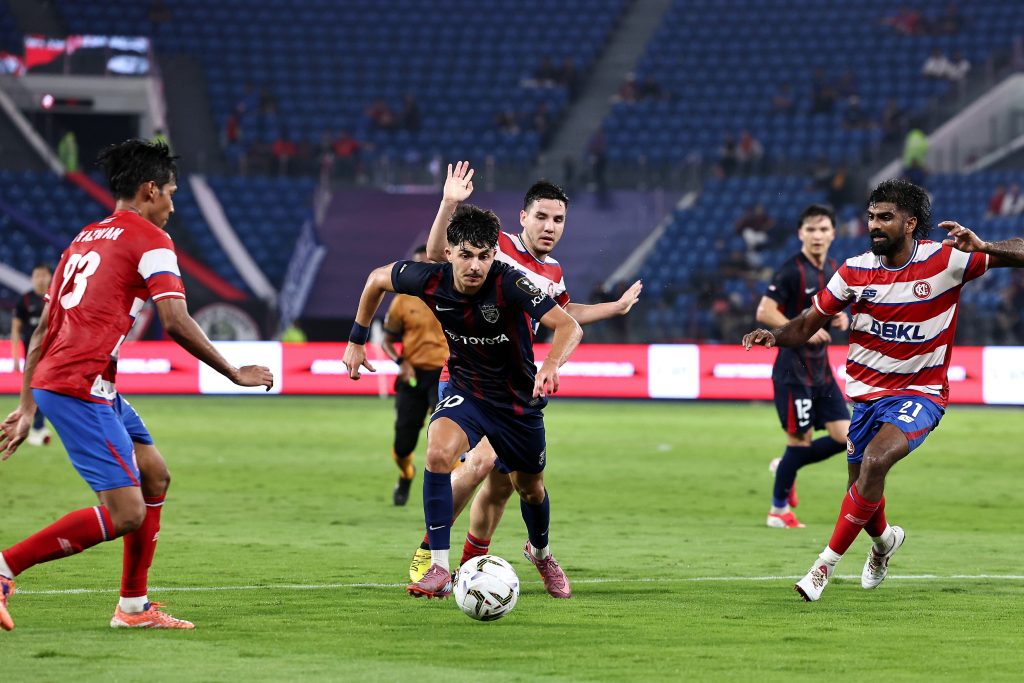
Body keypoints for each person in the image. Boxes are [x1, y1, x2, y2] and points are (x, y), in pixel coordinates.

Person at [0, 139, 274, 632]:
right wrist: (234, 372)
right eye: (170, 193)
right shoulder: (151, 240)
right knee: (126, 512)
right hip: (79, 383)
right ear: (150, 190)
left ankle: (133, 608)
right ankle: (4, 568)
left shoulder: (83, 238)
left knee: (154, 475)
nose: (172, 205)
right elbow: (175, 320)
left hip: (80, 381)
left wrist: (26, 405)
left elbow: (43, 330)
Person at [742, 178, 1024, 601]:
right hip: (866, 397)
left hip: (921, 393)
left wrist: (985, 247)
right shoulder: (853, 271)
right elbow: (805, 325)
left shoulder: (947, 260)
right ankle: (885, 542)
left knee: (875, 461)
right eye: (872, 216)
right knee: (861, 488)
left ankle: (822, 567)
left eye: (886, 217)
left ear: (910, 223)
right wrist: (774, 336)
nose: (874, 224)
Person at [407, 163, 642, 593]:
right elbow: (440, 252)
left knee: (506, 486)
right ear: (523, 217)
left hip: (515, 385)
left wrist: (614, 308)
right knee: (479, 462)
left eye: (558, 220)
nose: (550, 226)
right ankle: (430, 551)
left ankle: (474, 569)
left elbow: (564, 315)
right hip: (467, 377)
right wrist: (449, 203)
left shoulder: (553, 272)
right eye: (541, 216)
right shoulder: (494, 245)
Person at [342, 204, 584, 599]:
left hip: (516, 402)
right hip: (466, 389)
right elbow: (376, 279)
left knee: (530, 490)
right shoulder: (429, 279)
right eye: (467, 255)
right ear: (449, 253)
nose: (475, 266)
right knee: (438, 453)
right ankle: (438, 567)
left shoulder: (510, 283)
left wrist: (551, 364)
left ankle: (540, 553)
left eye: (484, 256)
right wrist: (356, 339)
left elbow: (568, 325)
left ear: (494, 255)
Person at [754, 205, 850, 529]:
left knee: (846, 437)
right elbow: (765, 312)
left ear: (833, 233)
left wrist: (839, 317)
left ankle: (787, 465)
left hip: (822, 370)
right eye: (811, 230)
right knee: (800, 440)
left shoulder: (834, 269)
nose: (817, 235)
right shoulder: (791, 271)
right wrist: (803, 329)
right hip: (793, 371)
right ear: (800, 234)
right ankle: (778, 511)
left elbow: (832, 310)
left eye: (823, 229)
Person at [381, 245, 448, 506]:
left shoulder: (454, 296)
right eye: (419, 266)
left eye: (429, 265)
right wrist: (401, 361)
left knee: (445, 437)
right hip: (412, 376)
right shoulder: (402, 301)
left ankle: (448, 492)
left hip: (445, 375)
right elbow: (387, 341)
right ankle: (406, 473)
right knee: (402, 445)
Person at [10, 264, 53, 446]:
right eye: (37, 275)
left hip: (53, 355)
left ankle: (38, 427)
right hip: (32, 356)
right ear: (32, 278)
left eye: (44, 275)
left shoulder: (56, 297)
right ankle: (38, 427)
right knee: (36, 390)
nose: (40, 279)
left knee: (48, 391)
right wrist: (15, 356)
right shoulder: (25, 300)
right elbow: (16, 329)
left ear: (50, 276)